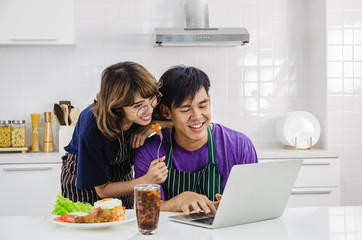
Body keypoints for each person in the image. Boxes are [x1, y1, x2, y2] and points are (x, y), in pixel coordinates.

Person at [134, 65, 258, 215]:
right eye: (185, 109)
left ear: (210, 100)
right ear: (166, 111)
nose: (197, 116)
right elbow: (145, 208)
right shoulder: (151, 150)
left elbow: (253, 201)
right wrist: (178, 201)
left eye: (203, 105)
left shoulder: (239, 145)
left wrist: (237, 204)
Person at [61, 61, 170, 209]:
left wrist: (154, 126)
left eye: (152, 99)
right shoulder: (93, 125)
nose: (149, 110)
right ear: (117, 106)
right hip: (88, 186)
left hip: (123, 182)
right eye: (138, 106)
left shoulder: (146, 107)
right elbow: (102, 190)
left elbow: (177, 120)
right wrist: (146, 180)